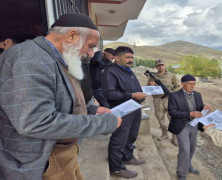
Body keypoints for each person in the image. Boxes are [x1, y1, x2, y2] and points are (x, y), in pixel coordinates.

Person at [0, 13, 122, 180]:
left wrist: (91, 110)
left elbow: (56, 101)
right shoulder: (30, 59)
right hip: (41, 162)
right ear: (72, 36)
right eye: (91, 46)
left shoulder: (55, 57)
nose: (92, 53)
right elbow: (35, 121)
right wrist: (103, 123)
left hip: (61, 156)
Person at [101, 46, 147, 178]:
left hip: (134, 108)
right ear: (116, 57)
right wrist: (132, 95)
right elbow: (109, 94)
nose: (131, 60)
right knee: (119, 139)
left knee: (131, 136)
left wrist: (143, 92)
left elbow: (132, 88)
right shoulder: (109, 71)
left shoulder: (128, 71)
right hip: (122, 110)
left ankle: (127, 157)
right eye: (127, 57)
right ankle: (116, 168)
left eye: (132, 57)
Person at [168, 74, 212, 180]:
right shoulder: (174, 95)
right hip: (181, 125)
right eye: (190, 84)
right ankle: (181, 173)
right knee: (185, 149)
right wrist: (190, 114)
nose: (192, 86)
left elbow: (199, 107)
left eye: (194, 84)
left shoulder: (197, 94)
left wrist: (205, 108)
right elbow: (172, 112)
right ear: (183, 84)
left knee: (192, 148)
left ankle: (188, 166)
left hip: (194, 125)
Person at [147, 59, 181, 145]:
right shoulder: (152, 77)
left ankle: (175, 138)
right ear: (156, 67)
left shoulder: (171, 75)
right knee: (159, 117)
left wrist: (174, 93)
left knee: (173, 118)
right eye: (158, 65)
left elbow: (178, 86)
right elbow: (148, 89)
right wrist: (150, 85)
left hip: (169, 99)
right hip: (157, 100)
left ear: (165, 65)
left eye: (162, 65)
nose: (160, 67)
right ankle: (165, 134)